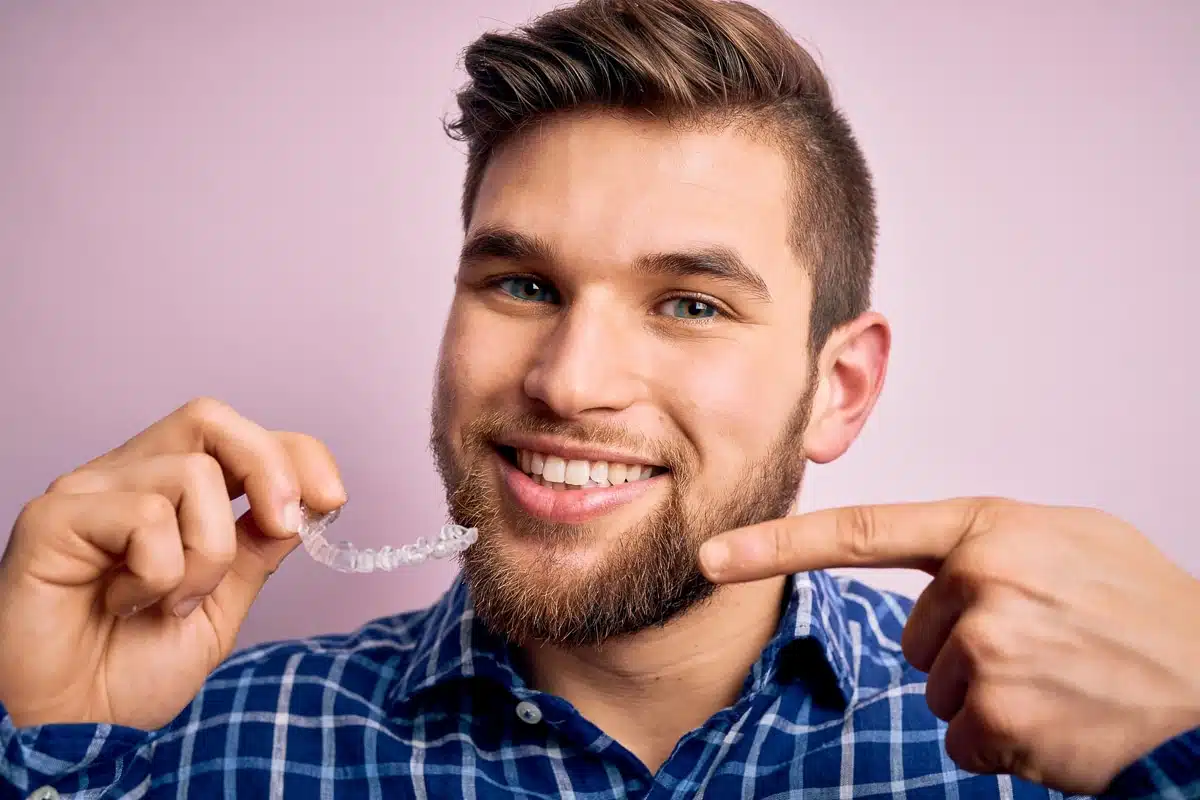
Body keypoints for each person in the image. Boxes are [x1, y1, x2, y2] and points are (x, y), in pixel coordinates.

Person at [1, 1, 1197, 797]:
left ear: (839, 389)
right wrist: (53, 750)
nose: (567, 382)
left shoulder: (1049, 743)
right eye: (522, 283)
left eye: (690, 303)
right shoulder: (211, 745)